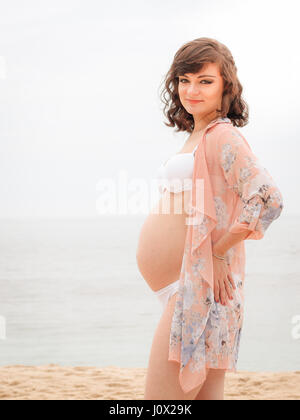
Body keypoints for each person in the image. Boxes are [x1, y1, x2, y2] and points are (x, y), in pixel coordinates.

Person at [139, 37, 284, 400]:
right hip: (191, 289)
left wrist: (218, 252)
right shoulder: (198, 135)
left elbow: (268, 198)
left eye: (205, 80)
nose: (192, 90)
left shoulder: (222, 135)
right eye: (184, 80)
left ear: (226, 86)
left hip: (196, 289)